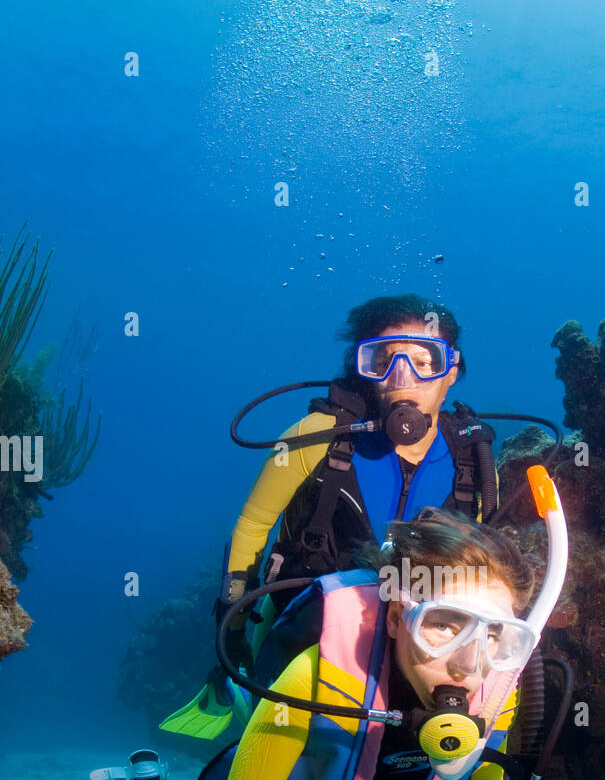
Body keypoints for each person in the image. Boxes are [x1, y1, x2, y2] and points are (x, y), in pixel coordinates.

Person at [107, 509, 538, 780]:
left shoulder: (498, 690)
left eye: (494, 634)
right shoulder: (314, 674)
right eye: (444, 624)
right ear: (395, 618)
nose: (468, 665)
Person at [162, 293, 500, 740]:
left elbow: (482, 561)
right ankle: (229, 697)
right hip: (309, 628)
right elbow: (253, 525)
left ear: (451, 371)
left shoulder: (473, 458)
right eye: (382, 360)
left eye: (425, 360)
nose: (403, 377)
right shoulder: (317, 436)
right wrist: (235, 625)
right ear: (361, 369)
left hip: (419, 644)